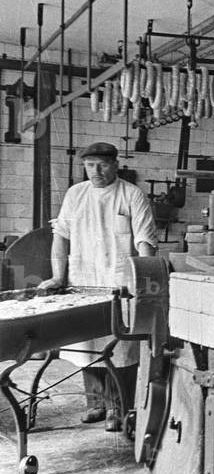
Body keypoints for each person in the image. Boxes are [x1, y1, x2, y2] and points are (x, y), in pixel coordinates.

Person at [37, 141, 158, 433]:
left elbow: (145, 240)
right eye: (90, 165)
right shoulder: (75, 195)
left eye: (102, 164)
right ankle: (96, 404)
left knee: (120, 348)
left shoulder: (131, 195)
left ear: (116, 164)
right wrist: (57, 276)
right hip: (83, 280)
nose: (96, 171)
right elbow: (61, 237)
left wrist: (144, 279)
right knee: (86, 344)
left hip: (120, 285)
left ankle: (120, 408)